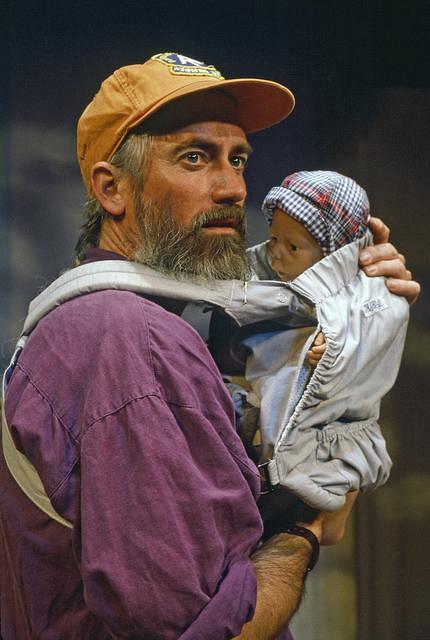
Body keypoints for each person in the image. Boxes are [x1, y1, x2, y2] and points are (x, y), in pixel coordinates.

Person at [0, 52, 420, 640]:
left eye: (239, 158)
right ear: (112, 188)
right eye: (194, 157)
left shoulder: (107, 323)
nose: (231, 187)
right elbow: (205, 630)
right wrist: (306, 532)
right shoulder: (130, 339)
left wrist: (348, 305)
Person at [216, 170, 409, 517]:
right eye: (273, 240)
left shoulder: (372, 287)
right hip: (266, 409)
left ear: (332, 252)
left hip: (325, 436)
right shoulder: (270, 283)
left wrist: (336, 348)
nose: (276, 255)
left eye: (292, 247)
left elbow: (379, 326)